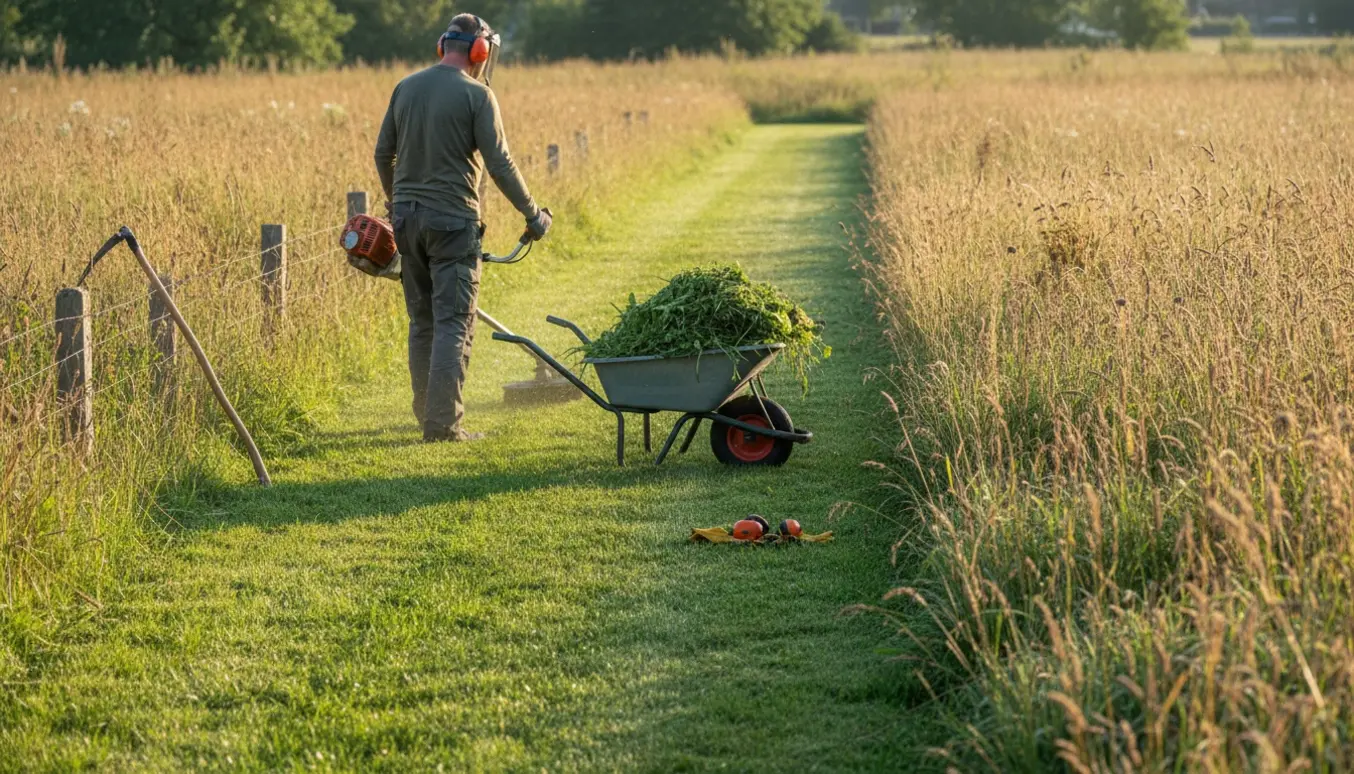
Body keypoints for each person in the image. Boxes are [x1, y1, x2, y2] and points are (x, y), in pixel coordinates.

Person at [373, 13, 551, 442]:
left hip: (407, 221)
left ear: (443, 46)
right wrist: (533, 215)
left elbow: (383, 155)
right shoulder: (478, 96)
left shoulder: (406, 86)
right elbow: (501, 164)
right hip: (453, 222)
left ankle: (427, 415)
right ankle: (443, 426)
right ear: (480, 51)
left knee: (422, 321)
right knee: (454, 321)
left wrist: (396, 202)